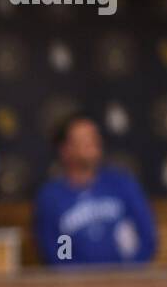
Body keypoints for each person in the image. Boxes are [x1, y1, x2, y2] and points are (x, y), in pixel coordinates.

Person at [34, 114, 157, 267]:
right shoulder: (52, 198)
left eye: (94, 137)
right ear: (65, 149)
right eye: (83, 139)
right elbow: (58, 252)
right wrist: (78, 281)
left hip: (125, 281)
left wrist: (128, 271)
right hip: (76, 286)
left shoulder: (122, 184)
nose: (92, 144)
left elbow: (146, 237)